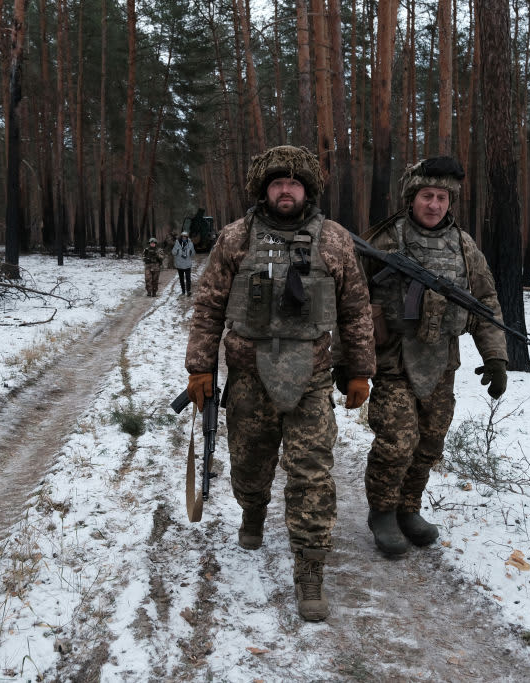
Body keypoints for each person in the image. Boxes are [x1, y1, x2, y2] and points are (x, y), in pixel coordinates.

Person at [183, 145, 375, 621]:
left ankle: (310, 565)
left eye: (294, 182)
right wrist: (199, 367)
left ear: (306, 189)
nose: (285, 190)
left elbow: (355, 310)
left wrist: (359, 370)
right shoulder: (236, 237)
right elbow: (208, 307)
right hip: (248, 376)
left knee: (312, 471)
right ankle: (252, 510)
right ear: (264, 190)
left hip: (310, 376)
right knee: (249, 462)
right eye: (276, 182)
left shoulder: (334, 241)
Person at [362, 156, 508, 557]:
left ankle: (409, 508)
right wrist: (352, 363)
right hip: (393, 360)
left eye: (442, 197)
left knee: (429, 441)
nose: (435, 205)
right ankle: (383, 512)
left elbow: (485, 302)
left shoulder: (464, 246)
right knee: (396, 441)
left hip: (442, 361)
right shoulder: (387, 240)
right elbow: (353, 300)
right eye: (427, 195)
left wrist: (495, 357)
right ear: (413, 197)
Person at [172, 230, 196, 295]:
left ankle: (188, 291)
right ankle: (183, 291)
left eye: (185, 237)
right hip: (179, 265)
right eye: (183, 237)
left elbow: (193, 254)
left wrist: (191, 252)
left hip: (187, 264)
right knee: (181, 279)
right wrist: (176, 249)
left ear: (187, 237)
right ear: (181, 237)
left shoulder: (190, 243)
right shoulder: (177, 243)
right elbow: (173, 253)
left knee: (188, 278)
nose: (184, 238)